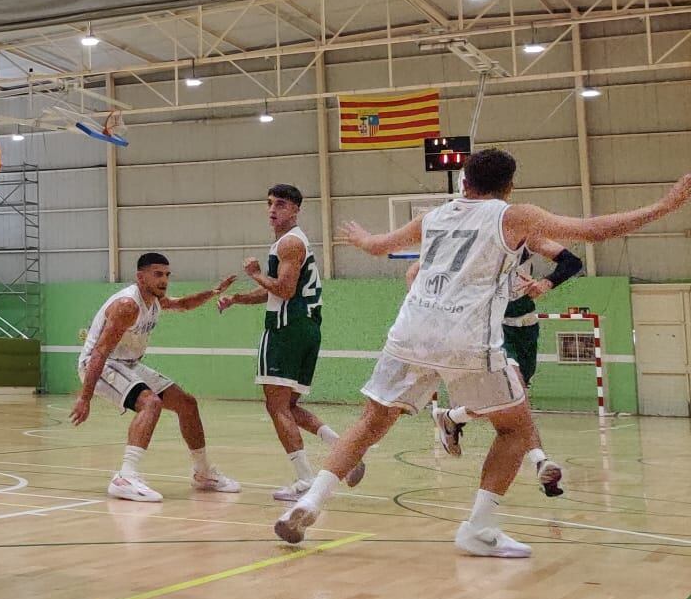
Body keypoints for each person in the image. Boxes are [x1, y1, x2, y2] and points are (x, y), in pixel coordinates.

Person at [278, 151, 691, 557]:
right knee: (515, 429)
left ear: (464, 181)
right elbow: (593, 231)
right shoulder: (513, 216)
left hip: (410, 332)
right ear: (509, 187)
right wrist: (665, 205)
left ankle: (311, 502)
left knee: (370, 423)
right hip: (467, 339)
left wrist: (362, 238)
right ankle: (479, 526)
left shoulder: (433, 216)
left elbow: (377, 246)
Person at [217, 184, 359, 501]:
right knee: (290, 406)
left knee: (276, 406)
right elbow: (275, 291)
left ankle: (306, 480)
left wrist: (254, 273)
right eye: (269, 204)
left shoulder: (290, 243)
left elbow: (283, 290)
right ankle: (342, 449)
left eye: (280, 204)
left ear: (295, 210)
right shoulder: (290, 243)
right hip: (305, 328)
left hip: (286, 330)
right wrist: (238, 298)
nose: (272, 210)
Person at [72, 253, 240, 501]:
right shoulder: (127, 305)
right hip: (100, 364)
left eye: (167, 275)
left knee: (187, 404)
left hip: (127, 364)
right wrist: (85, 398)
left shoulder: (154, 302)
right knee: (151, 403)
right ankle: (125, 477)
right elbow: (99, 352)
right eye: (157, 274)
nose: (164, 280)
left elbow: (184, 304)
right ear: (140, 277)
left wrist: (214, 291)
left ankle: (203, 473)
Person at [430, 234, 584, 497]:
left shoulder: (528, 238)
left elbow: (572, 262)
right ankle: (541, 461)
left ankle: (451, 417)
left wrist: (546, 283)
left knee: (505, 403)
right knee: (518, 396)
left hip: (526, 327)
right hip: (492, 329)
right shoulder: (473, 245)